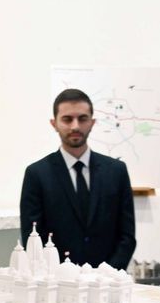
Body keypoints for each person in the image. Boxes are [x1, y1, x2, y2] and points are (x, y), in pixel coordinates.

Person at [19, 88, 136, 269]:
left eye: (82, 119)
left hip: (108, 282)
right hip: (57, 283)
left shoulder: (116, 172)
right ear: (54, 124)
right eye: (67, 119)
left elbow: (126, 235)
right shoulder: (37, 174)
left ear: (92, 122)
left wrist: (107, 275)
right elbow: (32, 235)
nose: (75, 126)